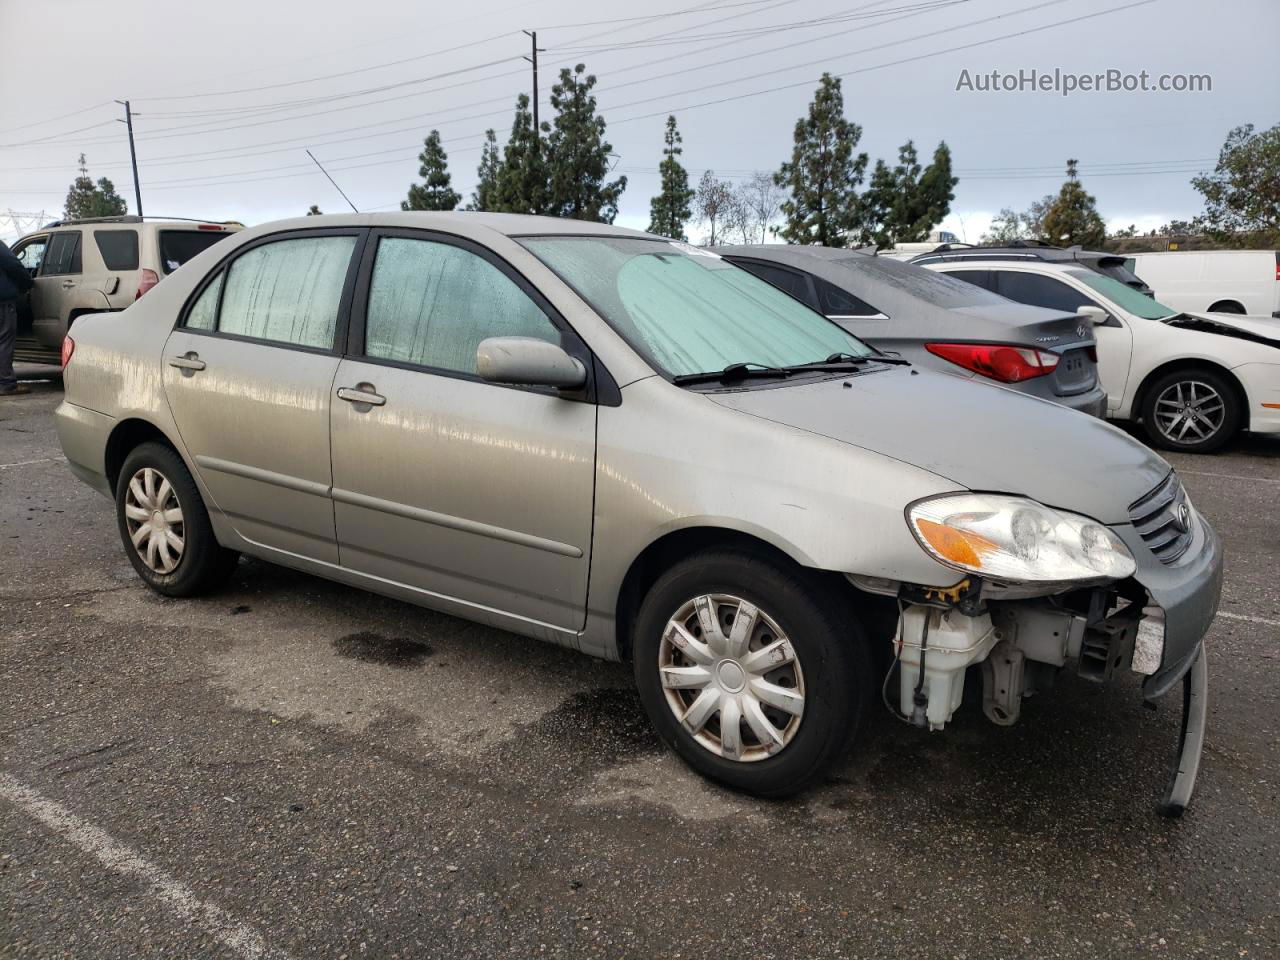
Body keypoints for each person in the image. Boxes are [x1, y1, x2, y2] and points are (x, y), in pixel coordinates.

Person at [0, 238, 35, 396]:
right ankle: (6, 383)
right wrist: (27, 284)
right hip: (2, 302)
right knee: (4, 342)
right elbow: (14, 266)